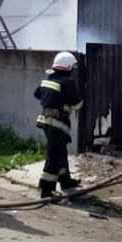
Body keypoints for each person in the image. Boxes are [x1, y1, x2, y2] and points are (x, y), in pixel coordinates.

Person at [34, 51, 83, 198]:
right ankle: (46, 189)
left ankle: (65, 181)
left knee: (60, 152)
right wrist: (66, 105)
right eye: (73, 67)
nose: (74, 70)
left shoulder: (47, 80)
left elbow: (37, 95)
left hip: (45, 122)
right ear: (68, 67)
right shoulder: (68, 82)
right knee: (54, 156)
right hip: (58, 124)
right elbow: (77, 104)